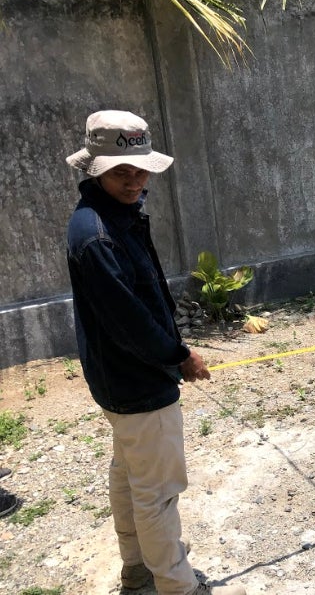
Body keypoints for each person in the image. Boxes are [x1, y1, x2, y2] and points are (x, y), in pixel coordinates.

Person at [65, 110, 245, 595]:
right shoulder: (98, 235)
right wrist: (179, 356)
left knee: (131, 475)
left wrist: (171, 352)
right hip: (138, 380)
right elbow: (131, 321)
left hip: (119, 377)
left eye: (141, 170)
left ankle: (138, 569)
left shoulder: (112, 217)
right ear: (95, 170)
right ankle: (177, 586)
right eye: (121, 172)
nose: (135, 181)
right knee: (158, 493)